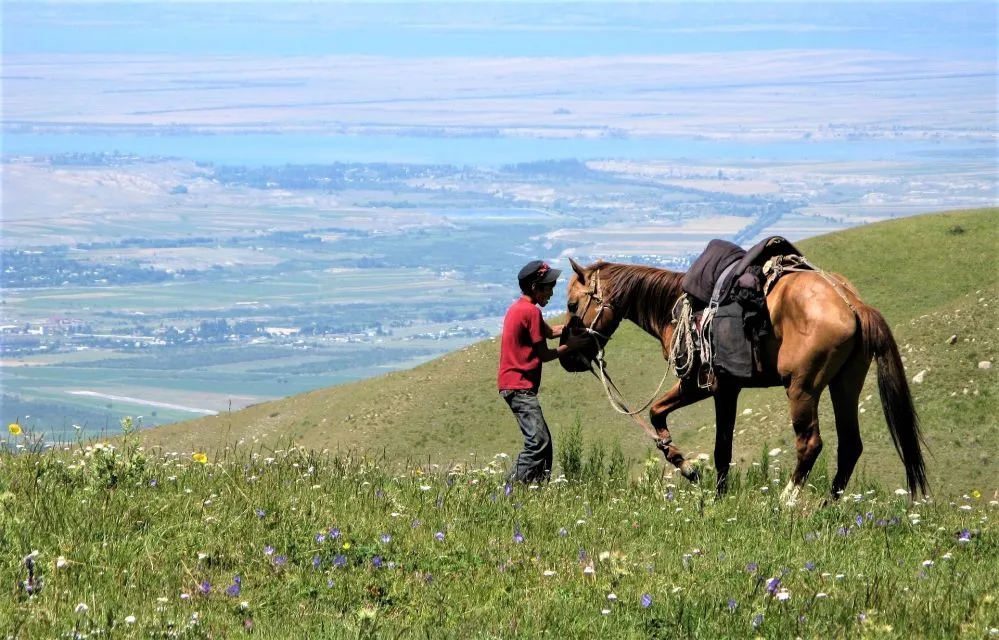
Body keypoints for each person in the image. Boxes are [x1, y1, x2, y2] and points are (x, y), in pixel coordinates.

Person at [498, 260, 590, 484]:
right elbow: (544, 355)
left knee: (543, 443)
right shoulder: (530, 312)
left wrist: (575, 328)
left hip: (514, 384)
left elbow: (549, 332)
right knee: (538, 443)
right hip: (519, 386)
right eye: (548, 287)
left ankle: (535, 489)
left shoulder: (519, 308)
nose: (551, 292)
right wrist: (572, 345)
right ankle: (506, 490)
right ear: (534, 287)